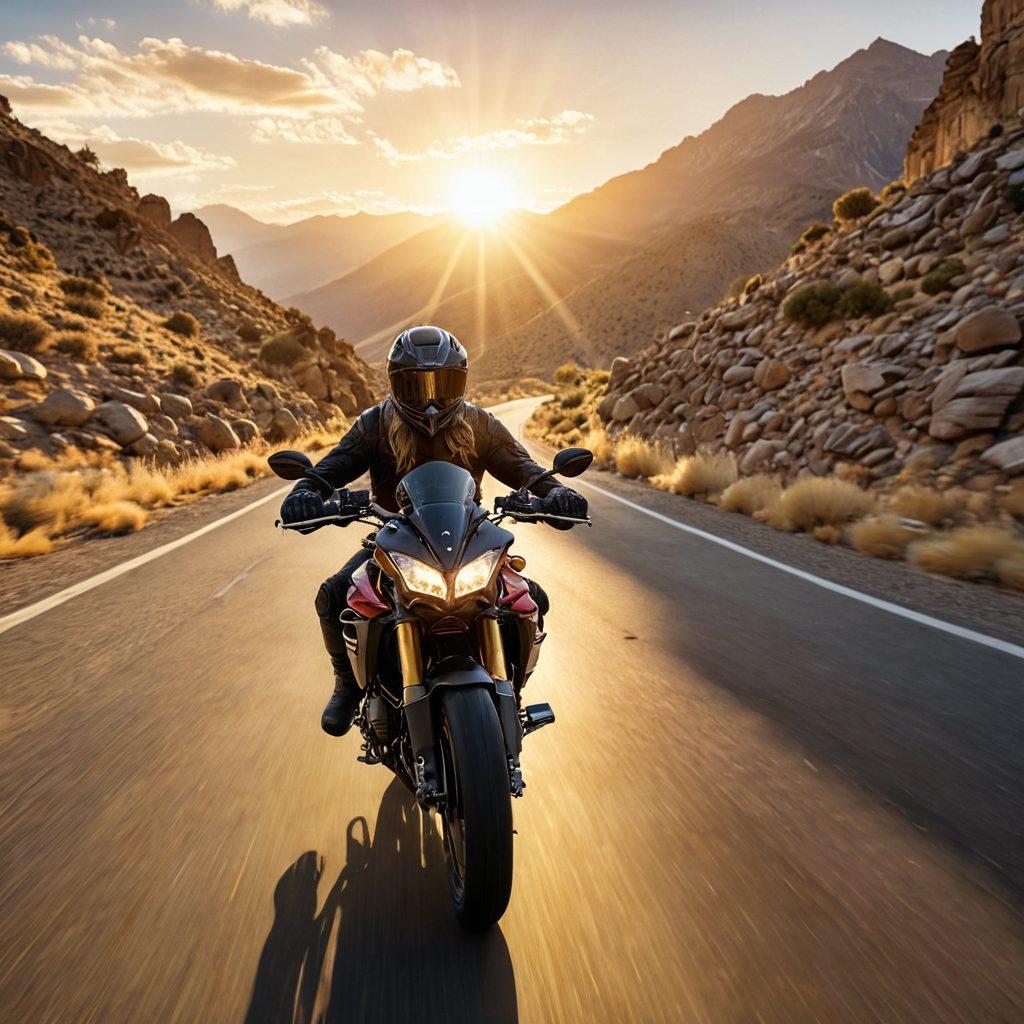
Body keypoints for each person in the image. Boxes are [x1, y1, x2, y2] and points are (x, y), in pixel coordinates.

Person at [280, 325, 589, 736]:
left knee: (531, 599)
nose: (429, 401)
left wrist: (558, 492)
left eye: (441, 385)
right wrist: (305, 493)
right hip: (394, 541)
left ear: (459, 382)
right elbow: (329, 470)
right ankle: (346, 686)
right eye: (414, 386)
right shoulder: (374, 424)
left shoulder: (480, 424)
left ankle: (513, 686)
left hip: (468, 539)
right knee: (334, 595)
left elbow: (526, 470)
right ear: (395, 385)